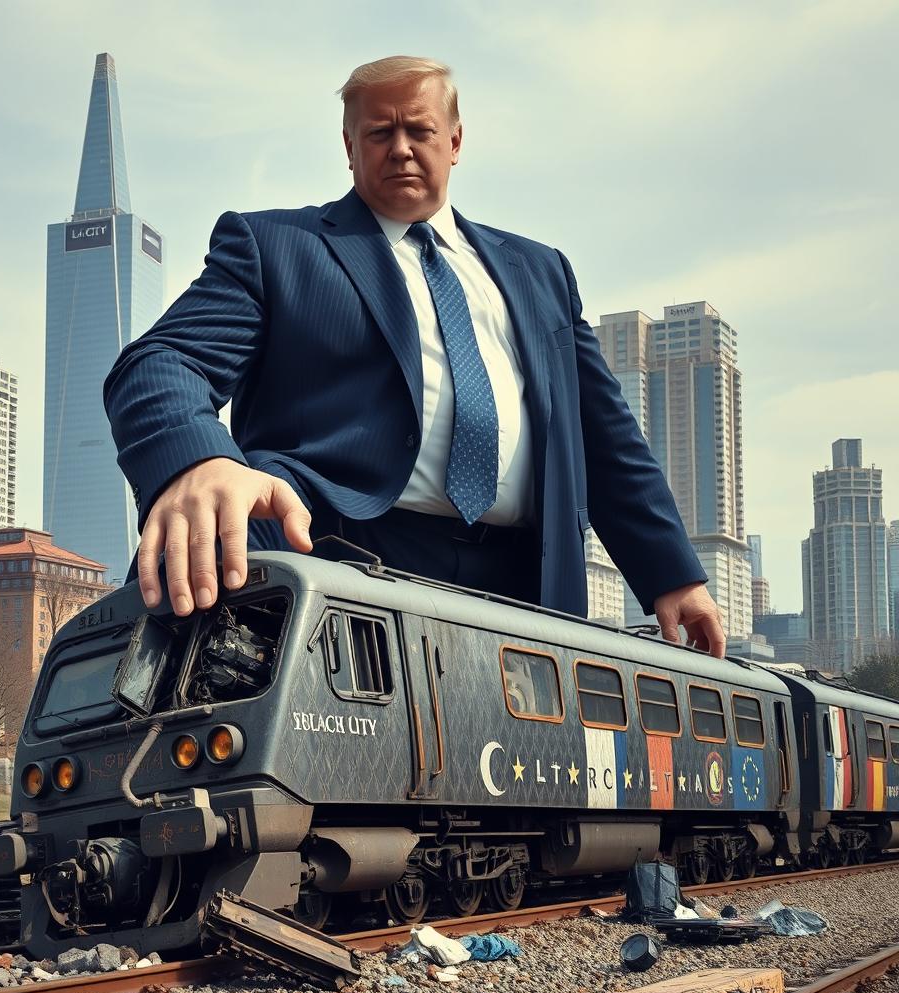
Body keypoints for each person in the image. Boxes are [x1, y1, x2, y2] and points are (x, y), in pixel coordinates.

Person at [103, 55, 726, 657]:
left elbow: (605, 435)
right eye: (379, 132)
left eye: (419, 129)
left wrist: (672, 574)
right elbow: (159, 363)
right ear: (349, 148)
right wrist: (201, 463)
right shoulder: (276, 248)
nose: (400, 147)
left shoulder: (541, 273)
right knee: (206, 533)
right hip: (337, 549)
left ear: (454, 141)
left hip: (523, 581)